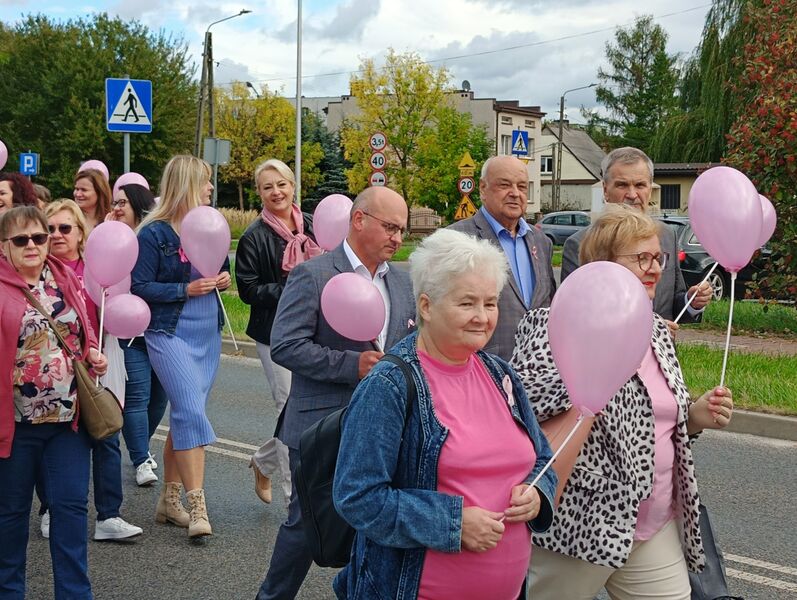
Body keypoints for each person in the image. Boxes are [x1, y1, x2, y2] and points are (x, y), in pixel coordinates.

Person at [511, 205, 734, 600]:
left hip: (654, 523)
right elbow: (525, 401)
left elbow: (659, 418)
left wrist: (697, 415)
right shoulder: (556, 321)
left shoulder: (657, 331)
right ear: (602, 264)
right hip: (585, 525)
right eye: (641, 258)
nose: (654, 268)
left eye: (658, 257)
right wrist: (596, 364)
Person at [333, 228, 557, 600]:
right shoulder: (390, 384)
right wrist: (453, 524)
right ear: (426, 306)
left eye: (490, 303)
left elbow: (543, 459)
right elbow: (357, 497)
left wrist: (537, 494)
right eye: (467, 303)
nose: (482, 317)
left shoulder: (501, 374)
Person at [255, 186, 416, 600]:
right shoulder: (314, 273)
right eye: (390, 227)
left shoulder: (403, 280)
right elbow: (287, 344)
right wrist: (352, 366)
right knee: (308, 527)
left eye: (403, 229)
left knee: (376, 525)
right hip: (322, 424)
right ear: (359, 220)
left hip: (384, 426)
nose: (398, 237)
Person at [0, 206, 108, 599]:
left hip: (68, 421)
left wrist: (94, 352)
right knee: (10, 519)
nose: (32, 245)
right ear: (3, 246)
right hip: (15, 426)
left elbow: (85, 328)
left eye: (40, 237)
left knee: (71, 512)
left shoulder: (64, 278)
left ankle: (75, 594)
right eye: (20, 240)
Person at [131, 154, 230, 538]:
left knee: (187, 414)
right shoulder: (153, 233)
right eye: (205, 181)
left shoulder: (211, 223)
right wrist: (182, 289)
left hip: (207, 331)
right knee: (190, 409)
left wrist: (223, 279)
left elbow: (221, 268)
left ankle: (168, 504)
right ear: (187, 183)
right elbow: (138, 286)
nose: (210, 188)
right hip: (169, 332)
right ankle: (197, 506)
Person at [43, 199, 143, 541]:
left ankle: (109, 516)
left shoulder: (97, 269)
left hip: (98, 360)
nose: (57, 235)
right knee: (56, 440)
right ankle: (49, 509)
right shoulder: (41, 272)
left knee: (106, 433)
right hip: (53, 369)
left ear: (80, 233)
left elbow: (114, 311)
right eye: (51, 229)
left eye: (65, 228)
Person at [235, 159, 321, 506]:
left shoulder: (314, 226)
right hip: (275, 333)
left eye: (281, 184)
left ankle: (263, 461)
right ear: (260, 193)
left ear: (292, 186)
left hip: (317, 327)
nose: (276, 192)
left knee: (314, 409)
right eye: (268, 186)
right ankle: (294, 498)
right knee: (288, 407)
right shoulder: (254, 236)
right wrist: (292, 288)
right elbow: (248, 290)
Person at [561, 147, 712, 327]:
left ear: (650, 188)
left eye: (640, 185)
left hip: (660, 353)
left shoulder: (666, 236)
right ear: (605, 189)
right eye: (622, 185)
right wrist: (652, 330)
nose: (632, 195)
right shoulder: (579, 244)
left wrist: (691, 301)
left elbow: (670, 304)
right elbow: (575, 316)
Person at [448, 155, 556, 361]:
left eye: (522, 187)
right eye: (504, 185)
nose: (515, 193)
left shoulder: (542, 242)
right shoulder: (458, 238)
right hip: (482, 367)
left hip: (538, 371)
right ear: (483, 188)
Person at [107, 183, 168, 486]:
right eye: (114, 203)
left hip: (159, 328)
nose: (116, 208)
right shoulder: (109, 239)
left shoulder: (152, 238)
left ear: (139, 206)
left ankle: (139, 444)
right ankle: (141, 458)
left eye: (123, 203)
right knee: (138, 397)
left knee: (160, 398)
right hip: (127, 333)